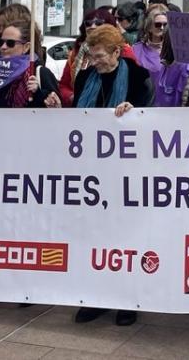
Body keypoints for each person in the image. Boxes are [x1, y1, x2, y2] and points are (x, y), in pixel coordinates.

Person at [73, 24, 148, 326]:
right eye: (92, 55)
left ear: (117, 52)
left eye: (101, 55)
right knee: (95, 235)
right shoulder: (84, 78)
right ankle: (97, 296)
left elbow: (151, 118)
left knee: (126, 236)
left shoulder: (139, 78)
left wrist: (136, 111)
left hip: (127, 170)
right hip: (91, 171)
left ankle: (128, 299)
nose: (95, 61)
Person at [0, 23, 61, 111]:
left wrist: (38, 93)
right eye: (0, 42)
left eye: (10, 43)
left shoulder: (39, 73)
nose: (3, 47)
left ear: (26, 47)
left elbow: (55, 113)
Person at [58, 7, 118, 106]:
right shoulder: (77, 53)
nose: (92, 26)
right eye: (88, 23)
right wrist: (73, 96)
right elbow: (63, 85)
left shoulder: (122, 50)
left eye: (99, 23)